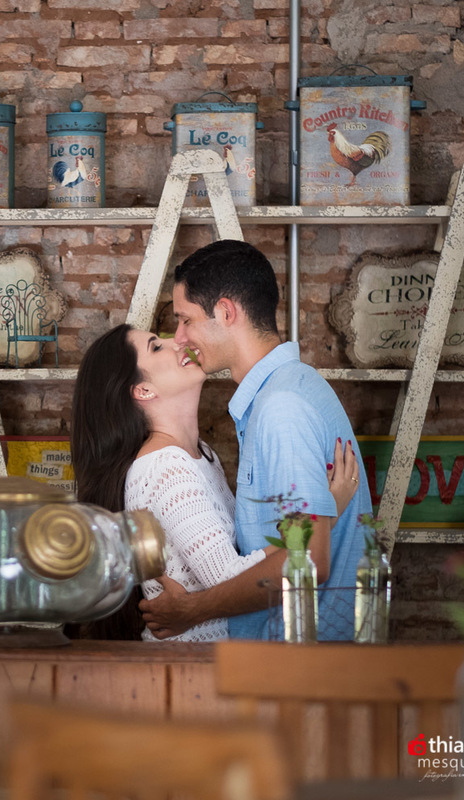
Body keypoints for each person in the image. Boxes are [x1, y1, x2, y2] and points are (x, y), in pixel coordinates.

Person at [139, 238, 374, 641]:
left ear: (226, 312)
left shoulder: (281, 408)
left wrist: (192, 609)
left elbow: (310, 563)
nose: (179, 337)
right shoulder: (284, 391)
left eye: (186, 319)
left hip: (303, 667)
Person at [70, 323, 358, 642]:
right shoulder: (165, 466)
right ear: (143, 391)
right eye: (156, 346)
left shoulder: (200, 454)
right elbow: (229, 577)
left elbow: (237, 558)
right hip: (188, 673)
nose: (176, 341)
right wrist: (328, 513)